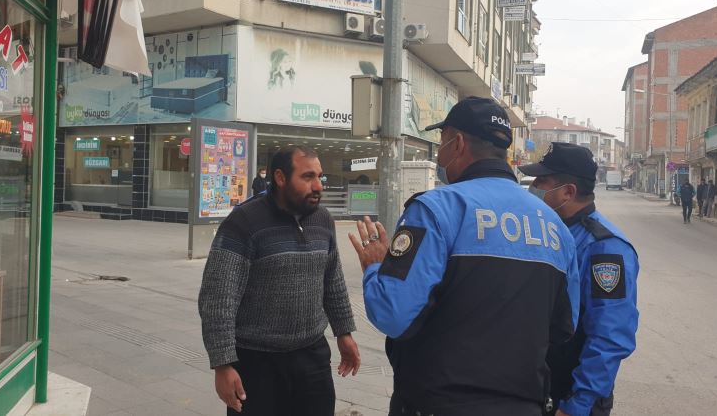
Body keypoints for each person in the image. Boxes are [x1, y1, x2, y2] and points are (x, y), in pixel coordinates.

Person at [349, 97, 580, 415]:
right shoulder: (556, 227)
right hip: (524, 404)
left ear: (456, 143)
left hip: (438, 402)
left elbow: (393, 314)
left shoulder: (435, 209)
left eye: (441, 142)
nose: (440, 153)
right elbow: (563, 328)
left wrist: (376, 266)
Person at [199, 146, 361, 415]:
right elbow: (218, 297)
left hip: (312, 359)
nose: (317, 186)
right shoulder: (244, 222)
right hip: (256, 364)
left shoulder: (323, 220)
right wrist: (222, 364)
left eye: (319, 177)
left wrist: (344, 333)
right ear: (280, 177)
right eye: (307, 177)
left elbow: (333, 281)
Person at [519, 143, 640, 416]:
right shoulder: (545, 232)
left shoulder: (605, 248)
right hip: (534, 389)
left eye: (542, 181)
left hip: (570, 397)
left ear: (568, 192)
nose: (533, 186)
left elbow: (609, 337)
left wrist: (578, 404)